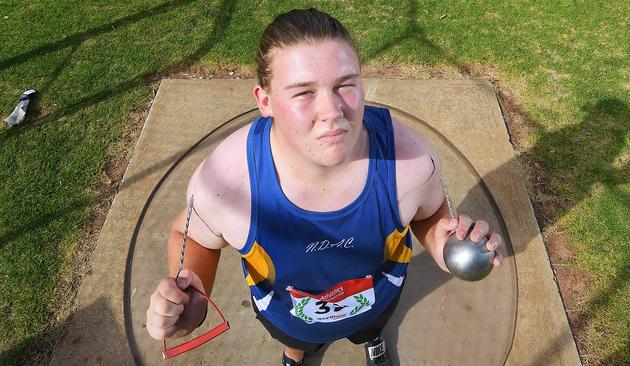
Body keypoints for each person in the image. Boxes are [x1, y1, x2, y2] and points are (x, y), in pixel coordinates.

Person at [146, 8, 503, 366]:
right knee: (296, 338)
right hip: (287, 314)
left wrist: (446, 243)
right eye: (303, 92)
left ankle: (371, 338)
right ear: (265, 101)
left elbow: (427, 215)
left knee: (371, 325)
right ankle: (295, 354)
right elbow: (192, 236)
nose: (332, 111)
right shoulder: (226, 182)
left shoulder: (408, 162)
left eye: (345, 85)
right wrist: (189, 303)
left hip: (377, 297)